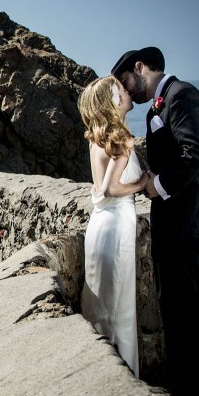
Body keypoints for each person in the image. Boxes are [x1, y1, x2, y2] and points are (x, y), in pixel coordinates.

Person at [111, 47, 199, 396]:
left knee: (193, 312)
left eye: (125, 83)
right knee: (177, 309)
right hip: (176, 223)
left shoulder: (183, 97)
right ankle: (190, 394)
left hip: (191, 223)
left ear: (140, 68)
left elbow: (196, 154)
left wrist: (158, 184)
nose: (127, 92)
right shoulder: (160, 106)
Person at [78, 76, 150, 377]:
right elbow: (110, 188)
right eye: (122, 90)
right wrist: (143, 183)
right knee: (119, 307)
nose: (129, 91)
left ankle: (98, 375)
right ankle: (124, 381)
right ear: (114, 102)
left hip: (100, 226)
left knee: (102, 307)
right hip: (116, 223)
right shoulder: (120, 138)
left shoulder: (99, 137)